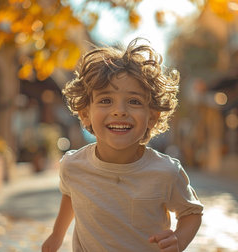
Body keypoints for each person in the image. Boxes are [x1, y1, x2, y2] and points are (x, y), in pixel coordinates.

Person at [42, 38, 203, 252]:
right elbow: (71, 194)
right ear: (85, 114)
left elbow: (191, 212)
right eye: (106, 100)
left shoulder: (166, 172)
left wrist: (179, 240)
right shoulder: (73, 165)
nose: (120, 111)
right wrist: (56, 235)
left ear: (152, 117)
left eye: (134, 101)